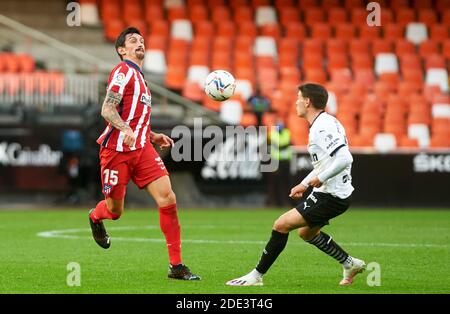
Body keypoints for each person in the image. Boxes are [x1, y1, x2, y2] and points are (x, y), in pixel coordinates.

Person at [88, 27, 200, 281]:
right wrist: (126, 128)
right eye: (132, 40)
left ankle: (176, 266)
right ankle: (95, 216)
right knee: (115, 211)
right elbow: (107, 109)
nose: (139, 43)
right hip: (116, 151)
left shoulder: (142, 80)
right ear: (121, 50)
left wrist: (152, 135)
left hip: (142, 149)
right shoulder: (122, 72)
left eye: (141, 40)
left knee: (168, 198)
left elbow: (135, 117)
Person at [226, 83, 365, 286]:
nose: (296, 102)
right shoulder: (325, 122)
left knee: (281, 225)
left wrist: (323, 177)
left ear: (308, 102)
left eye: (299, 97)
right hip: (334, 193)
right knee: (307, 233)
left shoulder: (322, 126)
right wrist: (304, 183)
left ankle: (256, 276)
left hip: (332, 195)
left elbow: (345, 158)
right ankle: (349, 263)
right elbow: (326, 162)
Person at [266, 119, 292, 207]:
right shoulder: (272, 134)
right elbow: (280, 145)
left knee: (286, 183)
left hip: (285, 161)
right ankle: (274, 202)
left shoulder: (287, 133)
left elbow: (284, 144)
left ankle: (285, 202)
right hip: (275, 162)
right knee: (274, 183)